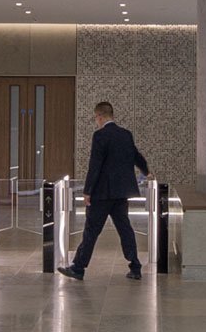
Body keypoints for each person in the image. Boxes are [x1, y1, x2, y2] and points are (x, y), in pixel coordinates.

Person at [60, 101, 149, 281]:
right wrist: (147, 171)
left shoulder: (100, 136)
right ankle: (135, 266)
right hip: (121, 193)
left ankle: (78, 267)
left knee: (91, 230)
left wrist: (87, 191)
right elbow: (136, 156)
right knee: (125, 229)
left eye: (96, 118)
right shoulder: (126, 134)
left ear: (99, 116)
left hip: (102, 194)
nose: (96, 122)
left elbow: (95, 165)